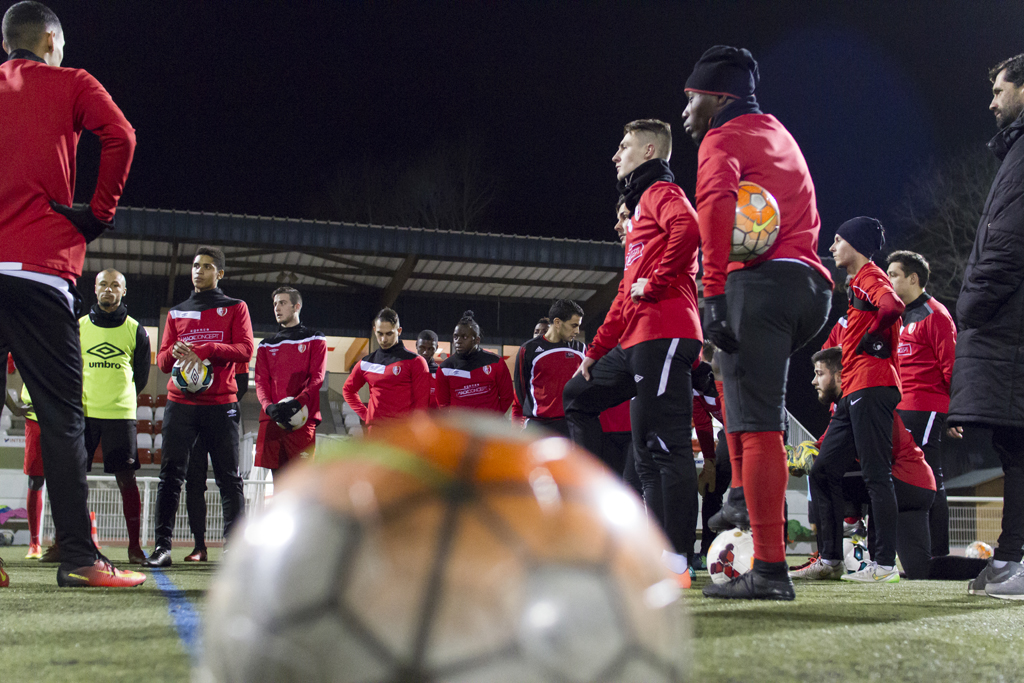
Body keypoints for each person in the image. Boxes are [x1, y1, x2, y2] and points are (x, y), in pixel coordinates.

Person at [682, 46, 833, 599]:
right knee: (741, 395)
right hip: (809, 289)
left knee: (760, 418)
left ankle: (770, 569)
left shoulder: (723, 139)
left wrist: (713, 293)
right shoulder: (776, 132)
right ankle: (742, 496)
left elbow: (718, 204)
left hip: (762, 285)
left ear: (717, 97)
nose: (687, 111)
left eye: (692, 98)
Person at [0, 2, 142, 587]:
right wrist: (99, 213)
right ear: (52, 40)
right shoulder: (71, 82)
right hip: (38, 270)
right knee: (62, 417)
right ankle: (81, 559)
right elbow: (122, 136)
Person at [562, 119, 702, 588]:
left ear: (647, 150)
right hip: (636, 340)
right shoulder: (639, 208)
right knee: (579, 397)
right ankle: (602, 504)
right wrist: (594, 353)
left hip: (665, 334)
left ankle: (677, 563)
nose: (615, 154)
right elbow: (625, 296)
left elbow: (690, 229)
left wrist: (656, 281)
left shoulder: (661, 190)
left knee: (666, 449)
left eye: (622, 146)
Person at [949, 53, 1024, 599]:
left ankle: (1015, 560)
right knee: (1013, 446)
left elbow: (1007, 242)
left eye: (1000, 90)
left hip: (1010, 325)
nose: (992, 101)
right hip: (1010, 325)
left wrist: (969, 303)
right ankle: (1010, 558)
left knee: (1018, 448)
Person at [803, 217, 904, 585]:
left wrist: (872, 338)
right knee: (822, 469)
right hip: (854, 390)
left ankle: (884, 565)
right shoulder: (859, 280)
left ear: (856, 244)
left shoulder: (870, 276)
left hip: (872, 386)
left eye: (837, 240)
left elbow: (892, 305)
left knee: (877, 475)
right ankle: (830, 559)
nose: (831, 248)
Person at [144, 247, 254, 568]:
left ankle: (233, 551)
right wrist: (175, 351)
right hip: (180, 404)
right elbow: (162, 362)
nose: (198, 271)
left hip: (221, 405)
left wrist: (206, 348)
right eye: (195, 266)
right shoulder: (177, 313)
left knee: (229, 479)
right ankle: (162, 547)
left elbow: (246, 350)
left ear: (220, 274)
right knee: (170, 477)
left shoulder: (236, 307)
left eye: (207, 267)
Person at [793, 347, 936, 580]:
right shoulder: (848, 403)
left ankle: (841, 545)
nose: (813, 381)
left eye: (819, 373)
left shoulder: (860, 401)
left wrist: (811, 456)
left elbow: (844, 455)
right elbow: (829, 443)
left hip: (903, 480)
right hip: (916, 485)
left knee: (822, 472)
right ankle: (979, 567)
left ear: (840, 376)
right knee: (923, 571)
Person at [887, 250, 956, 557]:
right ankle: (913, 552)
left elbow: (952, 366)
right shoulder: (898, 316)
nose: (889, 280)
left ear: (913, 279)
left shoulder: (936, 314)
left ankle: (937, 554)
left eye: (894, 274)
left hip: (926, 406)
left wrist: (956, 412)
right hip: (901, 407)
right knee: (905, 476)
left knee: (928, 475)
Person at [79, 269, 150, 564]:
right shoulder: (79, 326)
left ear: (123, 291)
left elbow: (142, 377)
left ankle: (134, 548)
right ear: (95, 289)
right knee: (73, 480)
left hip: (120, 415)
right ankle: (66, 543)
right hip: (83, 413)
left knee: (126, 479)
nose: (109, 290)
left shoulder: (136, 330)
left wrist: (117, 397)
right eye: (103, 285)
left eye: (115, 285)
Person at [182, 360, 251, 562]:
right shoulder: (193, 338)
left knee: (230, 480)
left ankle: (233, 546)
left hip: (223, 414)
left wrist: (221, 406)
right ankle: (199, 547)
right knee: (194, 482)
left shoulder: (231, 339)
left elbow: (242, 383)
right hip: (194, 415)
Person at [254, 286, 326, 475]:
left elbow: (317, 377)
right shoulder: (265, 345)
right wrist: (268, 407)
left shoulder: (315, 338)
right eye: (275, 304)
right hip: (272, 420)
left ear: (296, 307)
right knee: (278, 486)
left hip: (301, 419)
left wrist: (297, 403)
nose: (277, 308)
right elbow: (260, 381)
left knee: (301, 487)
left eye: (283, 303)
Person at [342, 308, 429, 428]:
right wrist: (366, 415)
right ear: (374, 331)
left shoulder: (416, 362)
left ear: (399, 331)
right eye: (380, 333)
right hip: (375, 435)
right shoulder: (365, 363)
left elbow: (421, 405)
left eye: (389, 333)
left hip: (403, 435)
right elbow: (348, 390)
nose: (384, 339)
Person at [511, 299, 585, 435]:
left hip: (570, 425)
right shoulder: (528, 349)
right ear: (557, 322)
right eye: (573, 325)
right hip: (538, 427)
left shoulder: (581, 349)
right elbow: (521, 391)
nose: (577, 331)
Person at [436, 311, 514, 413]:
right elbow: (443, 405)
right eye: (455, 337)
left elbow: (507, 397)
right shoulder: (444, 368)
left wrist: (494, 419)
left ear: (477, 340)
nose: (458, 341)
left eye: (464, 337)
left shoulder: (496, 362)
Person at [416, 330, 440, 409]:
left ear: (436, 348)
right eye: (422, 348)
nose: (425, 352)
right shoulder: (408, 371)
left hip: (434, 419)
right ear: (416, 345)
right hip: (411, 419)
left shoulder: (440, 373)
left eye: (430, 349)